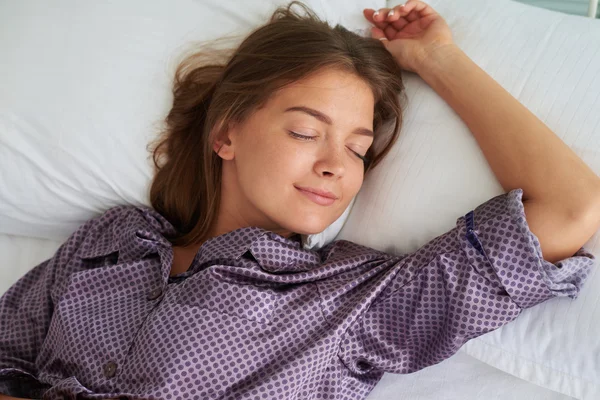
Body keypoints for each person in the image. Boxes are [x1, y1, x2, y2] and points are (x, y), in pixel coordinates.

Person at [1, 1, 598, 399]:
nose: (336, 164)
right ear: (226, 134)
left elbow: (569, 207)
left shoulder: (354, 301)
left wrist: (439, 62)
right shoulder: (112, 240)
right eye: (306, 132)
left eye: (359, 149)